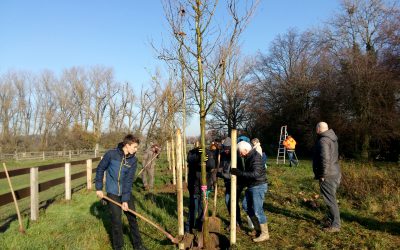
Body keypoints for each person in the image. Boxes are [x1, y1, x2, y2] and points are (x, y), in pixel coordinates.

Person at [95, 134, 146, 250]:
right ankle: (118, 247)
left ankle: (138, 245)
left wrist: (125, 200)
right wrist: (99, 188)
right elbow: (100, 169)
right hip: (112, 192)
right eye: (135, 147)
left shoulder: (133, 160)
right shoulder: (111, 154)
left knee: (132, 217)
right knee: (116, 221)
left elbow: (128, 181)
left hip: (125, 192)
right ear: (127, 145)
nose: (136, 149)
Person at [231, 141, 269, 242]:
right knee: (246, 205)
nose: (240, 154)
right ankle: (258, 229)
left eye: (240, 152)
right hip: (252, 185)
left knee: (258, 210)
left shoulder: (255, 157)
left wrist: (240, 173)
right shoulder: (249, 157)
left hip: (258, 186)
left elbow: (255, 174)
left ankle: (265, 234)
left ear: (245, 150)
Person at [313, 122, 341, 233]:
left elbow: (325, 159)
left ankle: (336, 225)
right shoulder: (332, 138)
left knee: (330, 200)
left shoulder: (323, 140)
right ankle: (331, 220)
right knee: (331, 198)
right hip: (335, 172)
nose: (315, 130)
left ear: (319, 129)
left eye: (316, 128)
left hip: (328, 175)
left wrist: (323, 175)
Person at [185, 143, 217, 233]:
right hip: (194, 186)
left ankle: (200, 228)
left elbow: (212, 165)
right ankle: (188, 229)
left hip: (205, 187)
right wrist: (198, 157)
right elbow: (190, 159)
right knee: (193, 208)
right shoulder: (192, 153)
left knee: (202, 209)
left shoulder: (208, 152)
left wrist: (206, 158)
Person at [217, 137, 244, 230]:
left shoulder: (237, 157)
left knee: (232, 201)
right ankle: (235, 221)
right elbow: (221, 167)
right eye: (225, 149)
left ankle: (237, 222)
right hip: (228, 182)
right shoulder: (223, 155)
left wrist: (222, 174)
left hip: (237, 183)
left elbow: (236, 173)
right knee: (228, 201)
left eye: (228, 149)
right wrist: (217, 172)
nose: (226, 151)